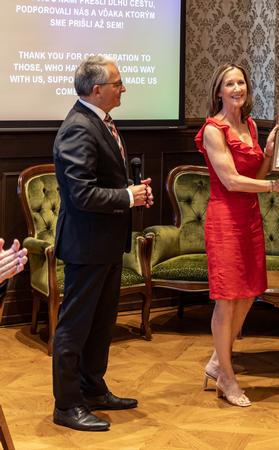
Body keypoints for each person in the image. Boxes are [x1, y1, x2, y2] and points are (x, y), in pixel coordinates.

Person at [52, 55, 154, 432]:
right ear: (97, 90)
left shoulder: (101, 122)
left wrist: (133, 194)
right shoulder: (79, 127)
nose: (123, 87)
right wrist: (127, 197)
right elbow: (81, 194)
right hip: (87, 245)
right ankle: (66, 405)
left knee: (100, 323)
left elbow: (104, 181)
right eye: (118, 82)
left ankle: (92, 388)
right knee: (75, 328)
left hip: (107, 243)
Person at [194, 63, 279, 408]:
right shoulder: (213, 129)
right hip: (224, 219)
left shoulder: (250, 125)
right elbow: (231, 181)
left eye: (241, 82)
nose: (237, 88)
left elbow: (256, 171)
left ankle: (216, 360)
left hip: (250, 217)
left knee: (250, 291)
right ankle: (226, 375)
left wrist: (268, 154)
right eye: (229, 84)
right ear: (218, 92)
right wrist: (273, 186)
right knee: (227, 298)